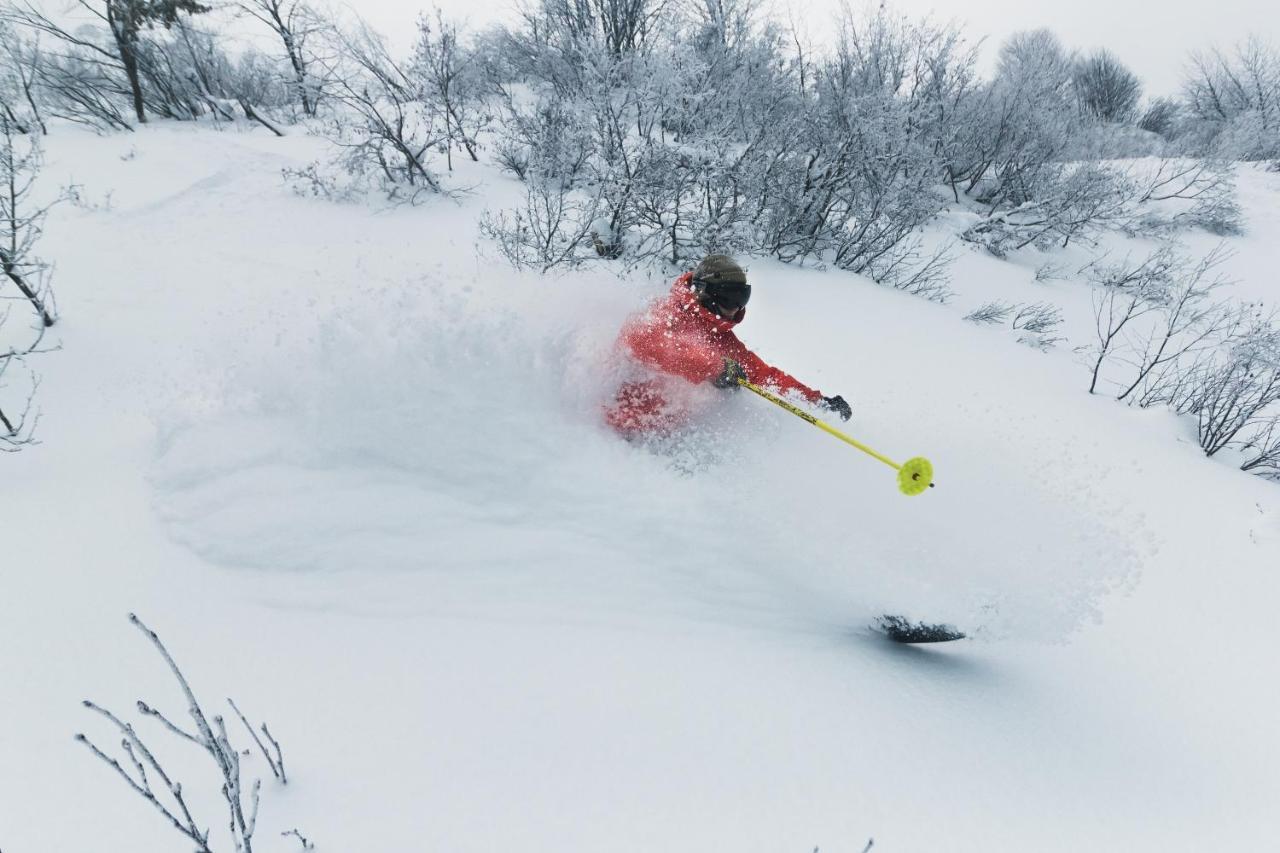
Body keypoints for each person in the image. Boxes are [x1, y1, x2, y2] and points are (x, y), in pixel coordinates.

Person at [605, 254, 851, 437]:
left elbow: (763, 375)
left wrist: (816, 402)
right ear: (704, 293)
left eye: (742, 298)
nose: (737, 308)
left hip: (666, 436)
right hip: (616, 433)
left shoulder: (721, 338)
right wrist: (714, 369)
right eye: (730, 299)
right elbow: (649, 343)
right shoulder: (667, 313)